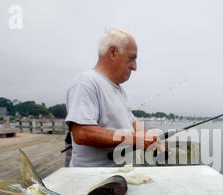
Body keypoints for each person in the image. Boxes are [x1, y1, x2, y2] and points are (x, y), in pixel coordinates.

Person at [65, 27, 164, 167]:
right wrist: (135, 139)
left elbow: (133, 124)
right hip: (92, 179)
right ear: (112, 52)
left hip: (117, 176)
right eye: (132, 58)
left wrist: (152, 140)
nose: (135, 67)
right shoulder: (86, 82)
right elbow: (82, 132)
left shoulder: (119, 90)